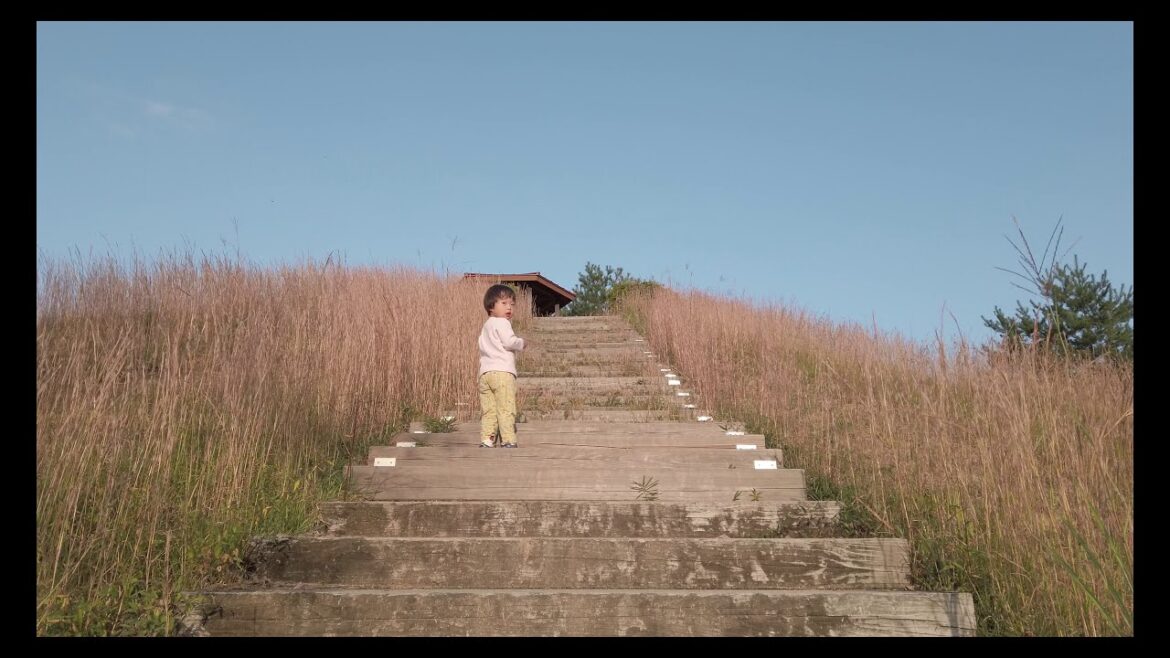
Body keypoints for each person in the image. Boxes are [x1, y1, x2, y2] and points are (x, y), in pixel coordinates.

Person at [477, 284, 525, 447]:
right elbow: (509, 342)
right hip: (502, 372)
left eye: (512, 304)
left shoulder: (486, 326)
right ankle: (508, 440)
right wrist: (521, 343)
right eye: (504, 303)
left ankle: (487, 439)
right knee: (505, 407)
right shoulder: (502, 323)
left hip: (485, 374)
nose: (509, 307)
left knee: (489, 410)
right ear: (491, 306)